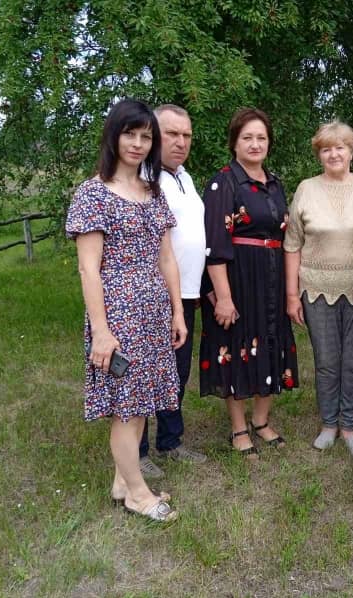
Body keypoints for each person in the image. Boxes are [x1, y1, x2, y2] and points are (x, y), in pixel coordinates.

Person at [66, 99, 188, 521]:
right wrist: (101, 331)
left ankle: (123, 482)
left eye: (145, 136)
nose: (137, 144)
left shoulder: (152, 192)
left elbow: (167, 258)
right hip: (118, 314)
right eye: (129, 134)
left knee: (144, 400)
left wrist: (177, 311)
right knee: (126, 405)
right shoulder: (93, 193)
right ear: (113, 136)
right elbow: (88, 268)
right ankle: (138, 494)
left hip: (154, 312)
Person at [199, 107, 299, 458]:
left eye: (261, 138)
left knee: (270, 343)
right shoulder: (223, 182)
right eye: (247, 138)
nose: (255, 144)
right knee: (236, 346)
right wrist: (223, 297)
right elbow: (213, 244)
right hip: (237, 279)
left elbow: (285, 236)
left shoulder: (274, 183)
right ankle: (238, 428)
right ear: (235, 142)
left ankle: (261, 421)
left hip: (271, 277)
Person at [284, 121, 353, 456]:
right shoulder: (306, 189)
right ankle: (328, 423)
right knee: (326, 360)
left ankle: (350, 426)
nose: (333, 154)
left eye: (340, 147)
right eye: (326, 148)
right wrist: (292, 294)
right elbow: (292, 243)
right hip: (315, 289)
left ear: (351, 151)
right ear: (319, 154)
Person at [137, 105, 208, 479]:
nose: (181, 143)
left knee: (176, 373)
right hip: (154, 293)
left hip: (188, 293)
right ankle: (138, 450)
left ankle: (171, 440)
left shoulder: (184, 177)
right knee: (145, 373)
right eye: (172, 134)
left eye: (186, 136)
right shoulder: (142, 179)